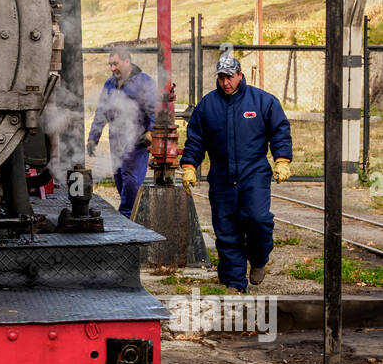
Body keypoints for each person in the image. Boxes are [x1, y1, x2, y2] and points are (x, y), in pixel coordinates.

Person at [180, 54, 292, 294]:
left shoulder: (262, 102)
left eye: (229, 77)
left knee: (258, 220)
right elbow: (196, 140)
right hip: (221, 177)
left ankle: (259, 259)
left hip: (254, 175)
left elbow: (280, 130)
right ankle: (235, 284)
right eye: (221, 78)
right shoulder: (207, 106)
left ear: (240, 75)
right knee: (226, 230)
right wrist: (189, 165)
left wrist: (282, 159)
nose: (225, 83)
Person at [86, 45, 156, 218]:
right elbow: (101, 111)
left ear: (127, 61)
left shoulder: (144, 82)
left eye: (115, 64)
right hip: (115, 141)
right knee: (119, 179)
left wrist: (151, 132)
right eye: (110, 64)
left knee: (131, 181)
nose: (112, 68)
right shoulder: (110, 84)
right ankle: (132, 216)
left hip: (136, 142)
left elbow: (155, 110)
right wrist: (93, 138)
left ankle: (127, 218)